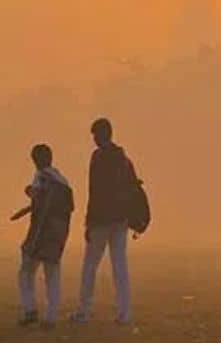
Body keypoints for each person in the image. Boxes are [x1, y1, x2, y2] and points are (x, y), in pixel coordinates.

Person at [71, 118, 140, 324]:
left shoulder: (98, 158)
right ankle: (124, 312)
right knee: (120, 266)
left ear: (100, 135)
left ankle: (84, 310)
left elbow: (95, 192)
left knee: (90, 266)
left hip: (101, 220)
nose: (93, 139)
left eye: (94, 135)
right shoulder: (123, 158)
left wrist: (88, 222)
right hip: (120, 220)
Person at [11, 144, 74, 326]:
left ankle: (29, 309)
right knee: (52, 275)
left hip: (41, 232)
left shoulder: (41, 177)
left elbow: (37, 197)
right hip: (58, 233)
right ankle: (51, 317)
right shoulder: (62, 180)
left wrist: (28, 190)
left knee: (26, 273)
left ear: (35, 160)